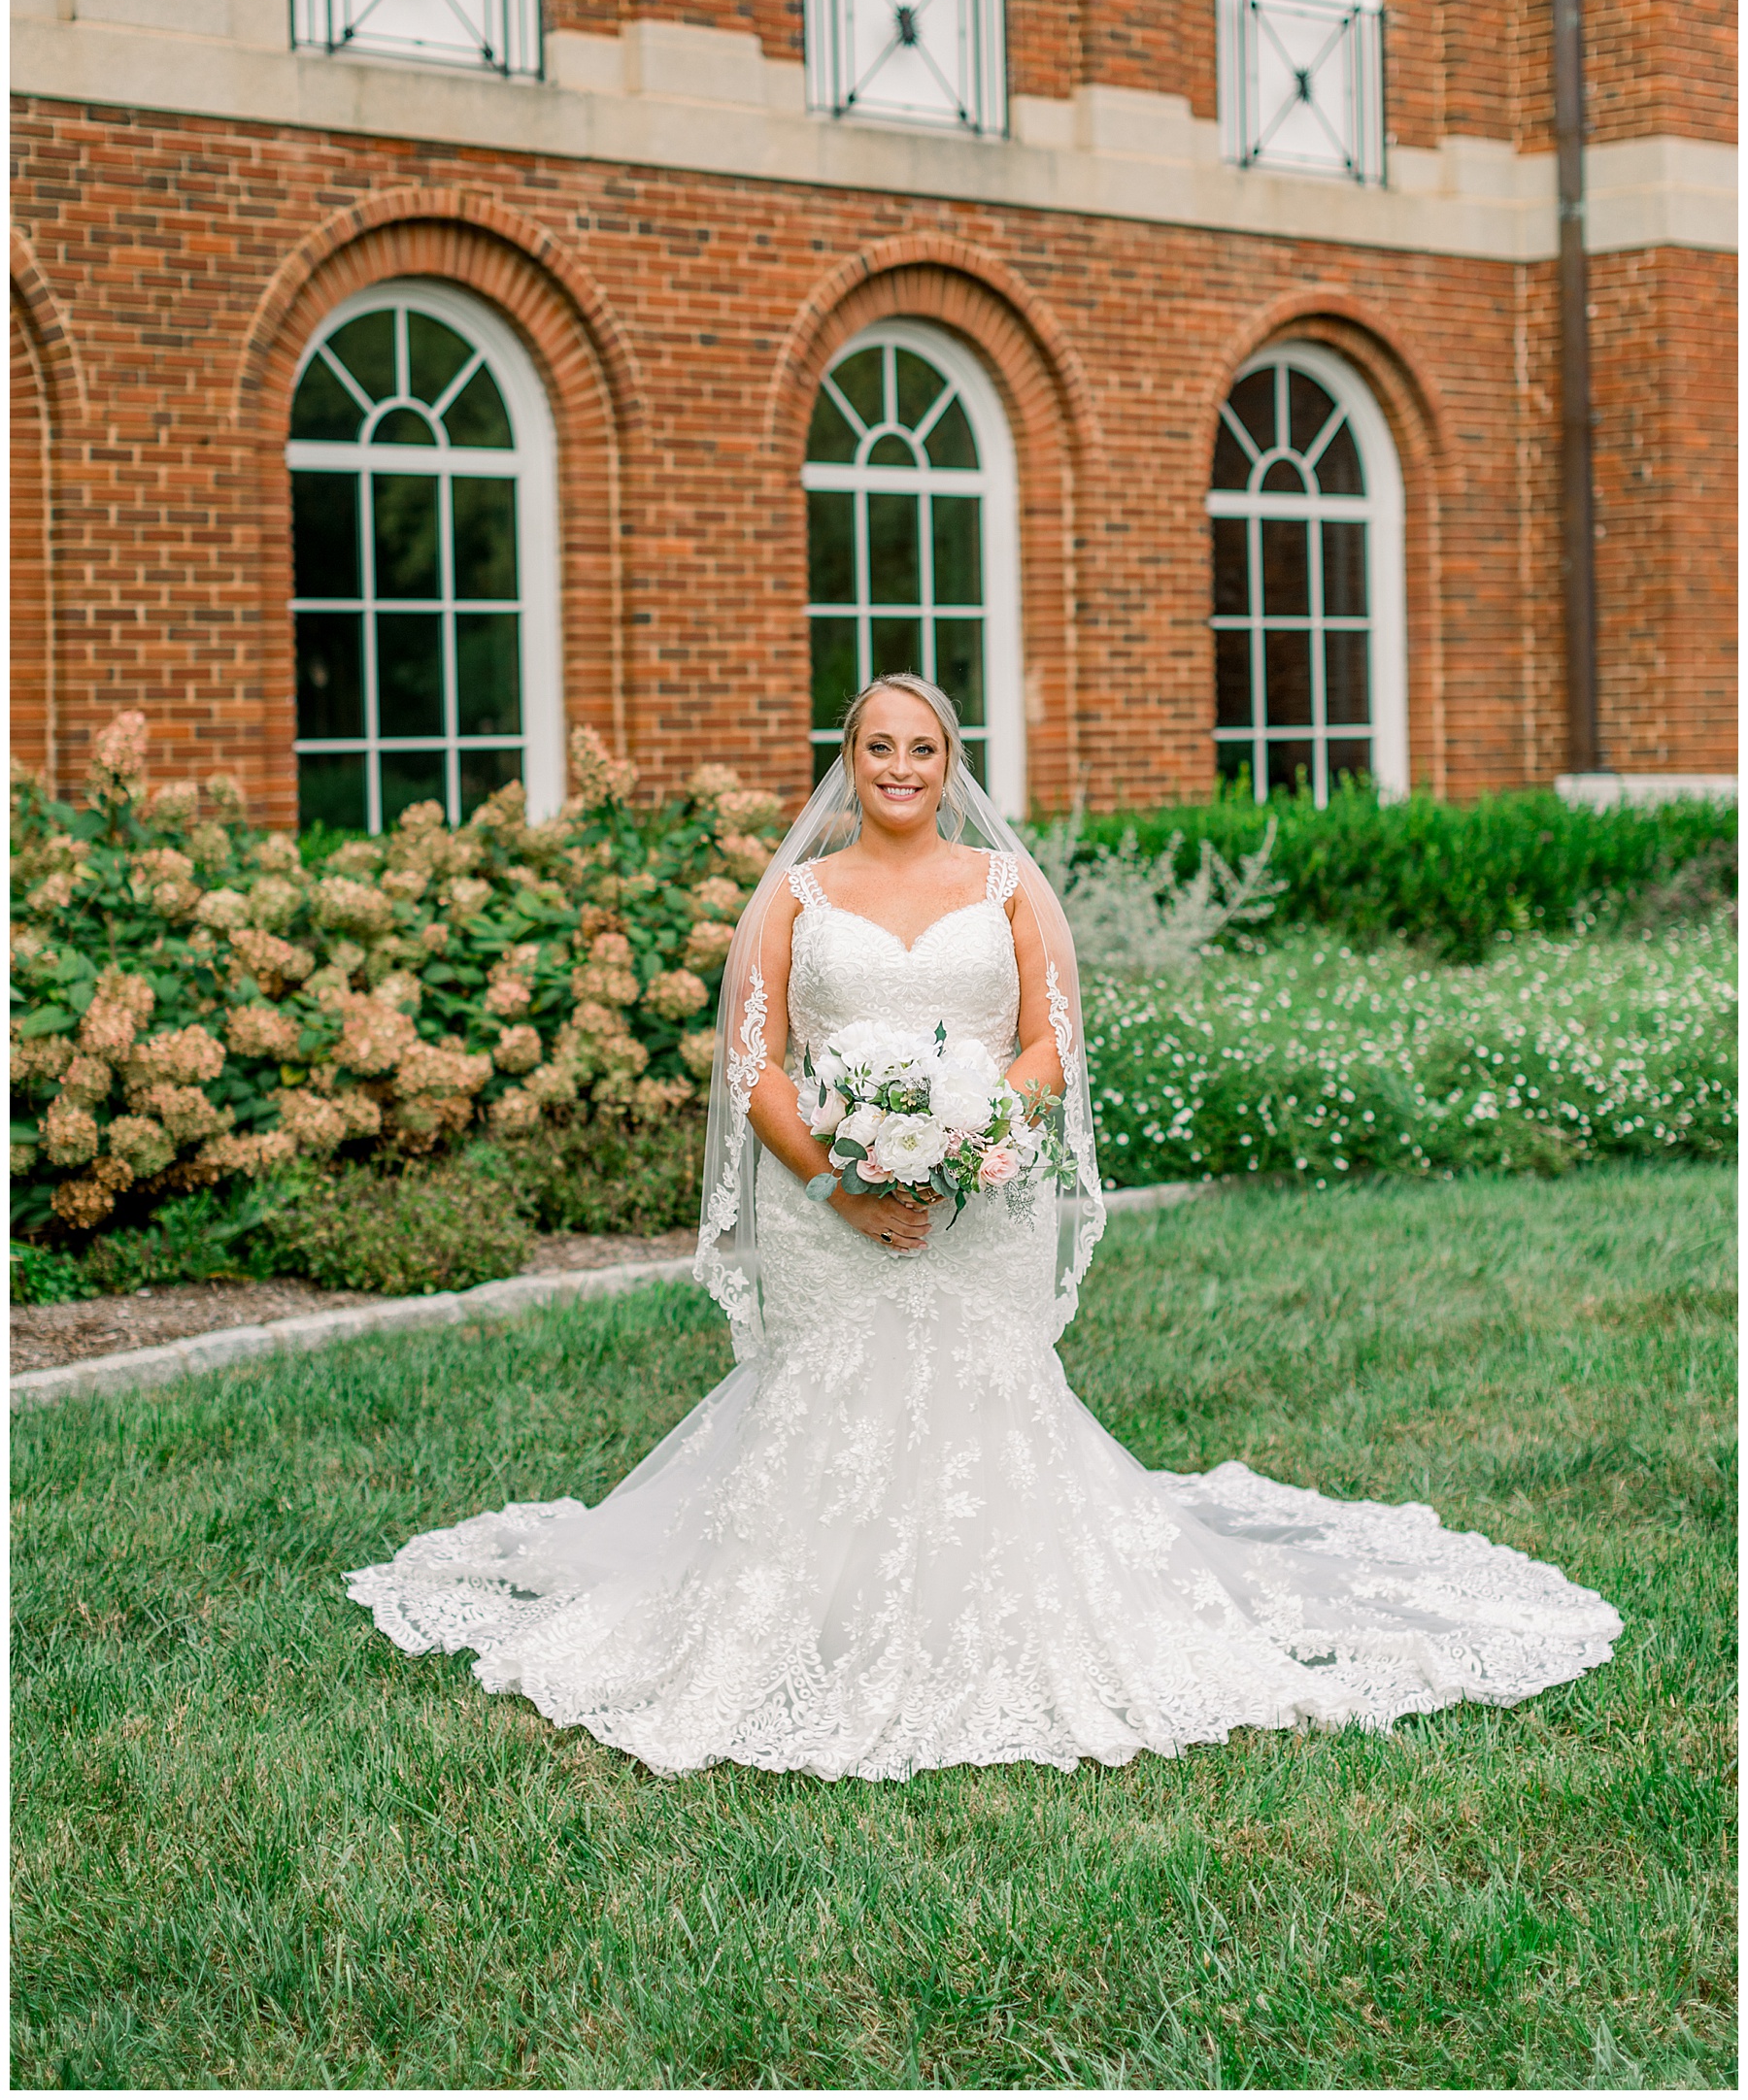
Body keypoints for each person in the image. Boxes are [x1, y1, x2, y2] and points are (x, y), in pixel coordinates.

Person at [347, 676, 1620, 1779]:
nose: (900, 767)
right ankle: (804, 1627)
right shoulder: (795, 894)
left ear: (951, 767)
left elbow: (1050, 1047)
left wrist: (956, 1150)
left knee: (984, 1405)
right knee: (827, 1409)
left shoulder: (1010, 885)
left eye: (924, 748)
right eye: (877, 747)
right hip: (821, 1210)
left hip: (984, 1194)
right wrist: (852, 1183)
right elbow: (758, 1069)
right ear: (847, 764)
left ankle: (1003, 1619)